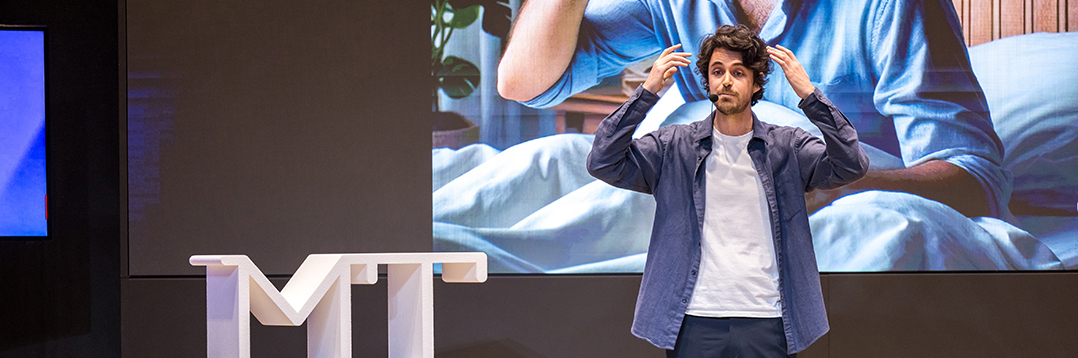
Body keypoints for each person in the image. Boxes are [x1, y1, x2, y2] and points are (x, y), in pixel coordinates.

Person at [497, 0, 1009, 220]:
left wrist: (830, 186)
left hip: (824, 206)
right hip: (679, 182)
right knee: (541, 171)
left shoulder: (890, 8)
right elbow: (524, 82)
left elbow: (976, 179)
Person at [587, 24, 867, 357]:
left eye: (738, 72)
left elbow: (851, 165)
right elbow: (603, 161)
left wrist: (810, 96)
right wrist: (646, 93)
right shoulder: (673, 145)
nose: (726, 80)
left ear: (756, 82)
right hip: (692, 319)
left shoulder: (788, 146)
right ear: (707, 81)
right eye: (717, 71)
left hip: (769, 318)